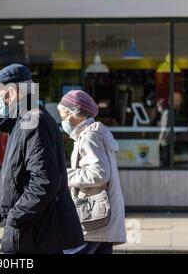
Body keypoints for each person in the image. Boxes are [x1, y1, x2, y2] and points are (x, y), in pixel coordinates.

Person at [0, 64, 84, 254]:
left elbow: (44, 182)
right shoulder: (23, 122)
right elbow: (19, 180)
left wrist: (13, 216)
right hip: (33, 235)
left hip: (38, 237)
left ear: (12, 93)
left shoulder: (33, 123)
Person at [58, 90, 126, 254]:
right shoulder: (92, 134)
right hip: (100, 218)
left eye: (63, 116)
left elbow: (99, 173)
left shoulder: (89, 136)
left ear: (75, 114)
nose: (63, 122)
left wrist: (64, 175)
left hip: (95, 218)